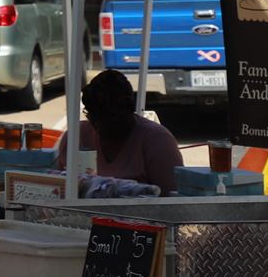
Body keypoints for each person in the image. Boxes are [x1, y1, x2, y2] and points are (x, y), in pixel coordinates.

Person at [53, 69, 183, 194]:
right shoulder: (76, 137)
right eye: (94, 116)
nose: (101, 125)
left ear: (129, 110)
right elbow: (55, 188)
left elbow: (172, 202)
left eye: (111, 116)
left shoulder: (157, 141)